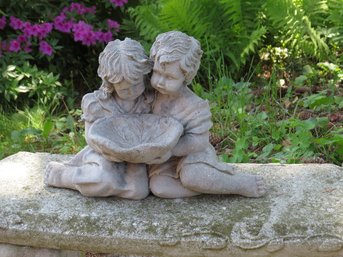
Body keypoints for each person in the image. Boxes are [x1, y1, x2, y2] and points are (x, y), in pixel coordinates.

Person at [149, 31, 266, 198]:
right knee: (160, 188)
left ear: (186, 76)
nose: (160, 81)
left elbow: (198, 142)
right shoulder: (150, 95)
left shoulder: (193, 106)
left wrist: (169, 151)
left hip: (190, 155)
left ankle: (238, 183)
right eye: (157, 72)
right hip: (161, 160)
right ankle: (208, 187)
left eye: (169, 77)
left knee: (192, 176)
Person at [45, 38, 153, 199]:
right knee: (100, 179)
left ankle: (114, 184)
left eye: (136, 84)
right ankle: (63, 175)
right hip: (105, 154)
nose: (132, 92)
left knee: (138, 191)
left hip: (135, 157)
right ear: (110, 83)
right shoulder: (97, 103)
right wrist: (114, 151)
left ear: (145, 75)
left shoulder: (148, 101)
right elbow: (91, 137)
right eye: (124, 89)